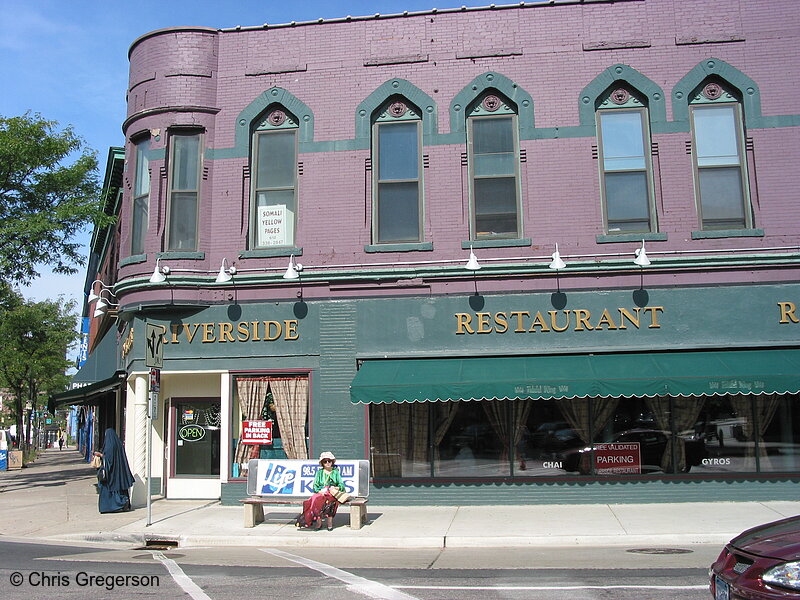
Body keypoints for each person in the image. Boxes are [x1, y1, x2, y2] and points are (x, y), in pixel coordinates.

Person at [296, 451, 344, 531]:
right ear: (322, 463)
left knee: (330, 502)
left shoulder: (335, 472)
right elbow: (315, 486)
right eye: (325, 461)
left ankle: (329, 523)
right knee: (315, 499)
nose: (328, 463)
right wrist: (320, 491)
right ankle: (318, 522)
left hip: (331, 493)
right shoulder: (319, 473)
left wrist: (337, 488)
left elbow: (341, 484)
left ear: (332, 462)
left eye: (329, 461)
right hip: (322, 492)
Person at [93, 428, 135, 513]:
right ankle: (123, 504)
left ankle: (112, 506)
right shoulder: (118, 444)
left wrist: (100, 455)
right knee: (120, 489)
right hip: (119, 473)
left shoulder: (109, 446)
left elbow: (109, 460)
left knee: (108, 489)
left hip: (111, 475)